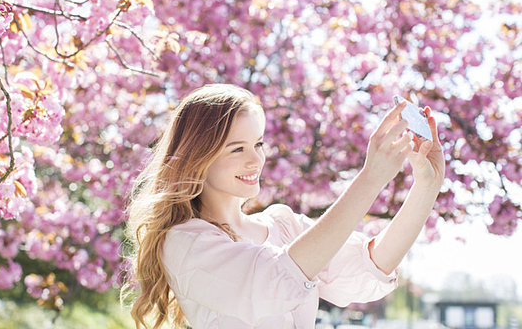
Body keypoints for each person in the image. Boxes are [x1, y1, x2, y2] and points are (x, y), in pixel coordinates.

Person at [124, 84, 445, 329]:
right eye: (237, 149)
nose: (255, 159)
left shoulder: (283, 226)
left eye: (258, 144)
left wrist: (427, 187)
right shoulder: (186, 242)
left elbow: (370, 265)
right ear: (198, 156)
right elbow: (278, 278)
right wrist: (369, 179)